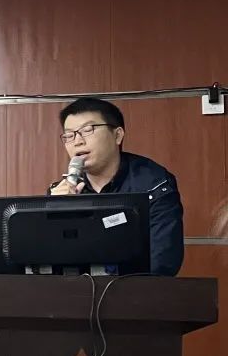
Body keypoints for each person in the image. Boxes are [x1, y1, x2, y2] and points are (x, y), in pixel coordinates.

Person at [49, 97, 184, 276]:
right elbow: (49, 265)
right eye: (69, 135)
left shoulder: (154, 184)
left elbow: (164, 261)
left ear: (117, 135)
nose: (77, 141)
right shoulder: (63, 191)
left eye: (87, 130)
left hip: (139, 289)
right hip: (78, 291)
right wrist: (56, 212)